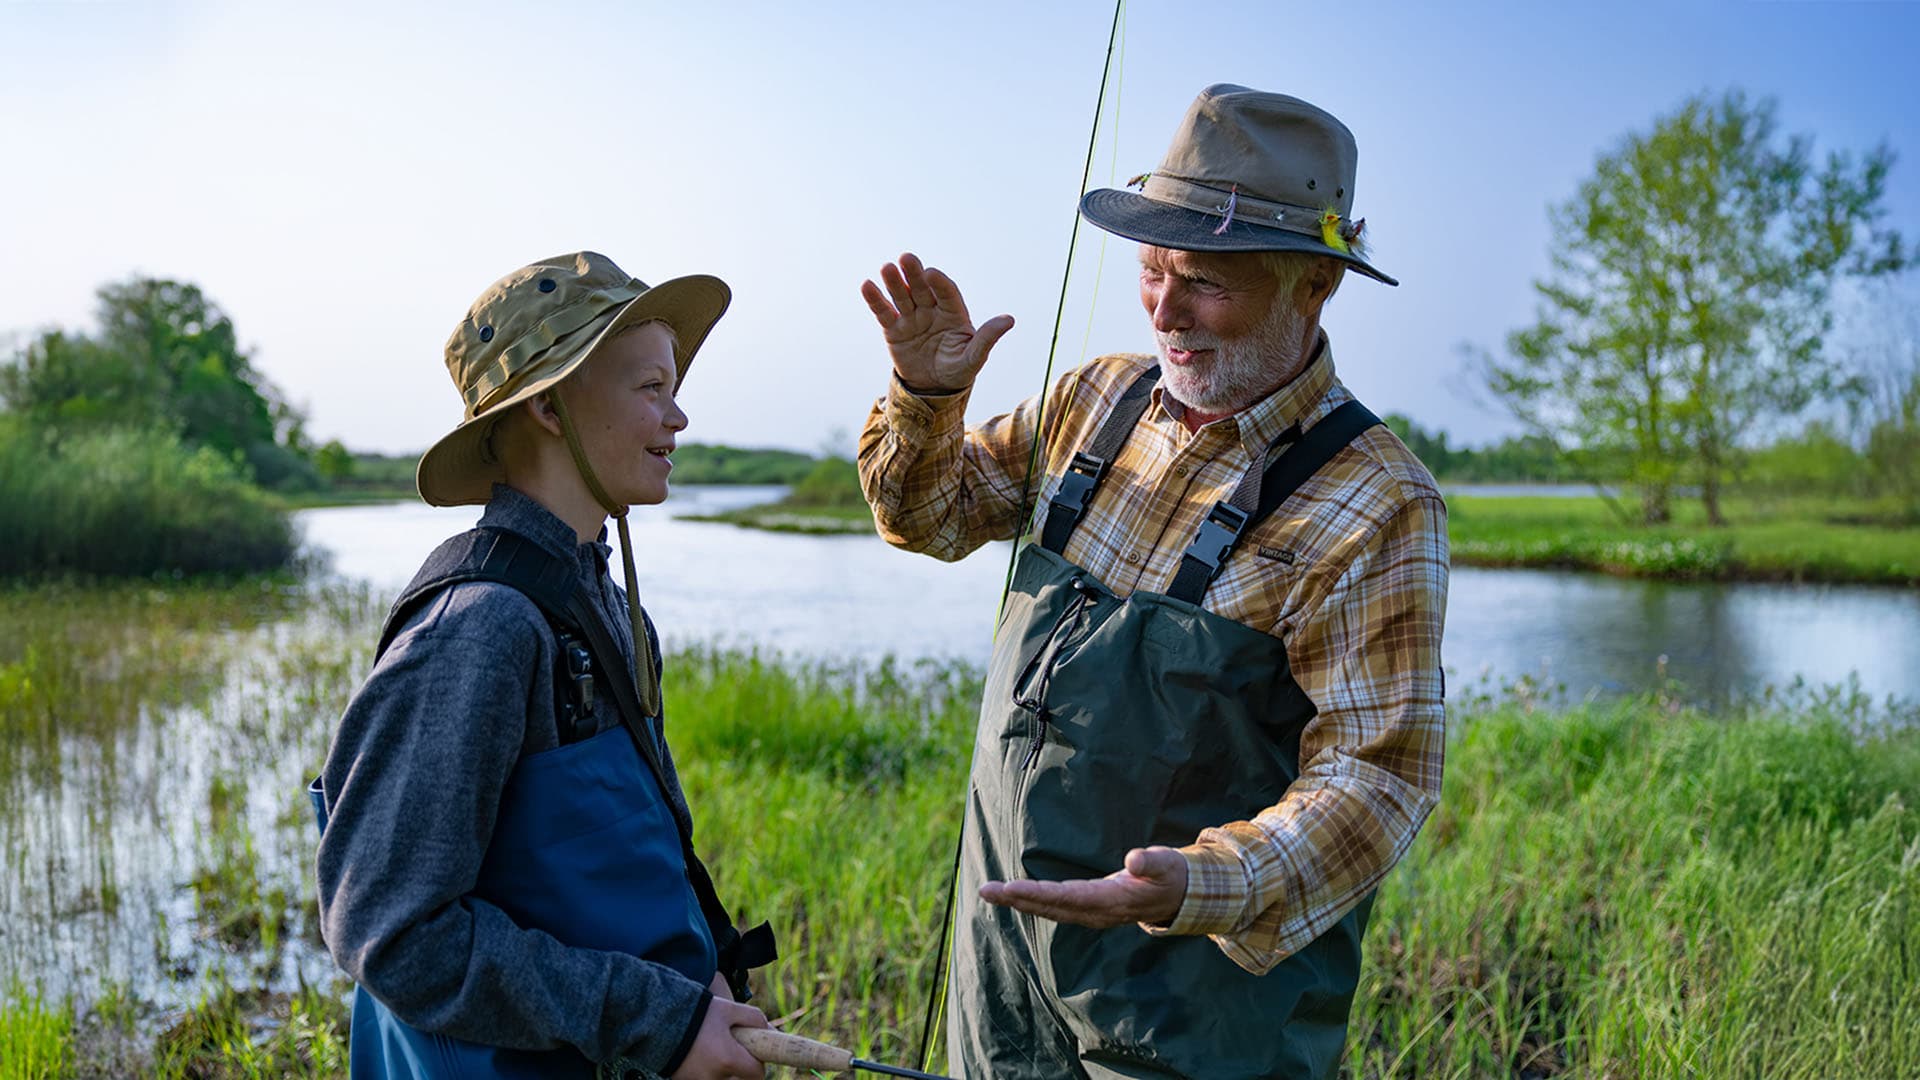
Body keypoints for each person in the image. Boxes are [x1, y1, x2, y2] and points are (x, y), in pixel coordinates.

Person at [857, 86, 1449, 1079]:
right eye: (1150, 269)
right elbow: (928, 518)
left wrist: (1198, 883)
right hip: (1000, 967)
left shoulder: (1379, 501)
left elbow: (1379, 780)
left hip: (1192, 1009)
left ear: (1314, 283)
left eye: (1205, 281)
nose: (1165, 309)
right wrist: (927, 398)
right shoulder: (1096, 398)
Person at [312, 251, 774, 1080]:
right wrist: (654, 1019)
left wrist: (697, 974)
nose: (679, 418)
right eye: (650, 388)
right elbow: (393, 934)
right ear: (552, 406)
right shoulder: (477, 632)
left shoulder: (609, 607)